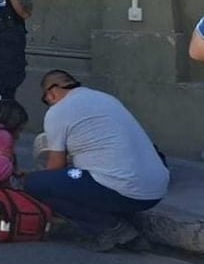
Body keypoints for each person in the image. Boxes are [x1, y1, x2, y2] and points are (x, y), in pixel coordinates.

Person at [24, 70, 169, 252]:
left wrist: (39, 175)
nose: (48, 103)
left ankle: (110, 228)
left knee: (36, 183)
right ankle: (124, 219)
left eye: (46, 100)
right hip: (156, 190)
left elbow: (56, 166)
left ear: (51, 92)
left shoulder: (57, 111)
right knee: (78, 177)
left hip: (118, 189)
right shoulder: (107, 99)